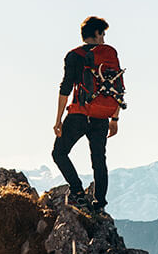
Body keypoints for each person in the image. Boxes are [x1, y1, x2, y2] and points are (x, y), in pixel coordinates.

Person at [52, 15, 124, 211]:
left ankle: (77, 193)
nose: (104, 38)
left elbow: (65, 88)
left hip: (79, 114)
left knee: (59, 153)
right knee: (99, 160)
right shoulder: (109, 56)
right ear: (97, 33)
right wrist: (114, 119)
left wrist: (58, 120)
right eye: (103, 34)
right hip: (102, 117)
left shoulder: (74, 56)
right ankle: (99, 203)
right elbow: (116, 87)